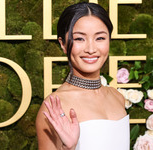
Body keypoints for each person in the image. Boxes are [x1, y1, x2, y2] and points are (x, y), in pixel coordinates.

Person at [36, 2, 130, 150]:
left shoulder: (117, 97)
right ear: (63, 44)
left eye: (100, 38)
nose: (91, 49)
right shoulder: (54, 108)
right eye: (80, 39)